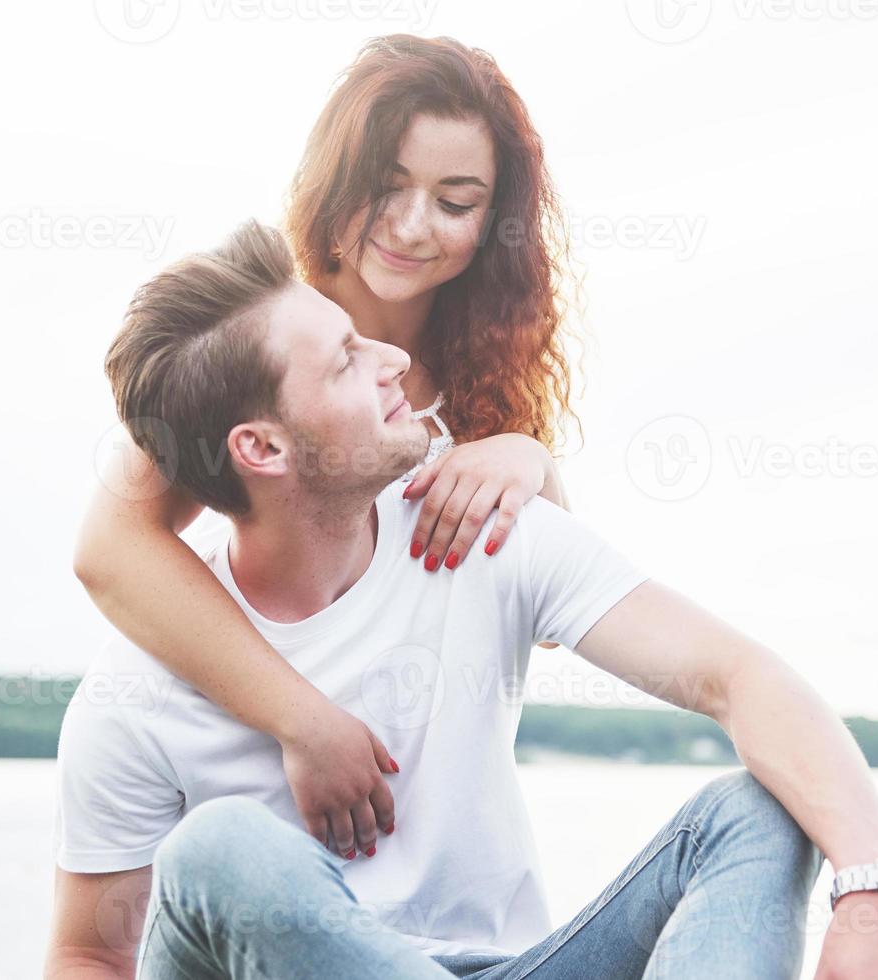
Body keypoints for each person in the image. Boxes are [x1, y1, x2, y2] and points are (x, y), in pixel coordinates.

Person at [45, 222, 878, 979]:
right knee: (220, 852)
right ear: (263, 449)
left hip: (516, 967)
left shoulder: (473, 527)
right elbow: (88, 955)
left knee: (756, 811)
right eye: (348, 361)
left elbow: (739, 677)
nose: (395, 358)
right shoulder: (139, 691)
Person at [74, 35, 577, 861]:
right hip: (245, 796)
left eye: (456, 203)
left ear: (496, 224)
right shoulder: (260, 328)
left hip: (423, 838)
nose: (413, 228)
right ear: (336, 179)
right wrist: (304, 723)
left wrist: (533, 459)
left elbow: (550, 618)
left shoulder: (486, 384)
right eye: (385, 188)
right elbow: (108, 548)